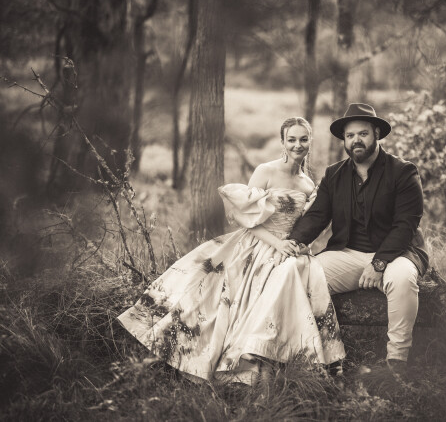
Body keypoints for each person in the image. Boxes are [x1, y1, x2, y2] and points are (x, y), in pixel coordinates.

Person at [118, 117, 345, 384]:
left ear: (310, 141)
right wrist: (277, 244)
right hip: (258, 244)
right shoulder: (266, 171)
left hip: (288, 249)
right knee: (213, 303)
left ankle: (286, 359)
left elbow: (308, 224)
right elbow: (244, 218)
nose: (298, 145)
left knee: (294, 284)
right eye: (291, 139)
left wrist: (299, 245)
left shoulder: (308, 183)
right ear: (283, 142)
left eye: (303, 139)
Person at [288, 103, 429, 379]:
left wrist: (379, 264)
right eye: (350, 135)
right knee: (304, 275)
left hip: (398, 253)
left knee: (402, 279)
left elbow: (405, 225)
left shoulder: (403, 172)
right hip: (349, 253)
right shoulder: (334, 174)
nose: (356, 141)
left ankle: (396, 363)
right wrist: (292, 243)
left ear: (376, 133)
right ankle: (320, 358)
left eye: (362, 134)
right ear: (344, 140)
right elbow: (317, 216)